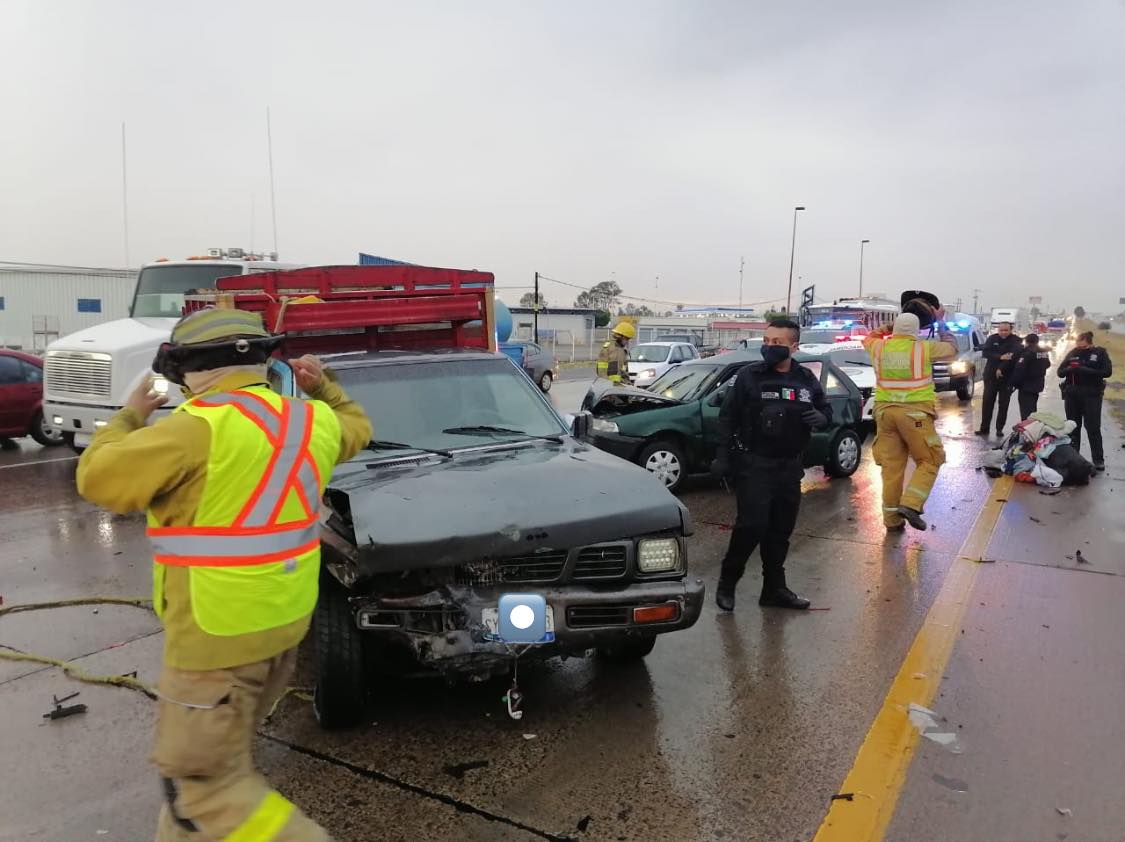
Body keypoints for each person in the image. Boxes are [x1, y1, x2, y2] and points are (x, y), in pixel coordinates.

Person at [76, 307, 372, 842]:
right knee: (191, 795)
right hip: (281, 628)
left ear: (186, 369)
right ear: (261, 362)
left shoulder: (194, 430)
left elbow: (98, 477)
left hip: (216, 642)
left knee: (205, 791)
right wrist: (325, 386)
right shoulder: (313, 422)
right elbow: (358, 428)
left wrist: (128, 416)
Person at [712, 319, 831, 611]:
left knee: (780, 531)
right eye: (766, 341)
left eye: (777, 343)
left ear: (794, 346)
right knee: (751, 526)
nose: (769, 347)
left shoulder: (805, 378)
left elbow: (825, 407)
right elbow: (728, 418)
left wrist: (822, 417)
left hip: (790, 466)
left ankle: (774, 590)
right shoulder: (749, 376)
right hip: (755, 464)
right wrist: (722, 457)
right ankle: (728, 583)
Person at [862, 312, 958, 531]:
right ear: (917, 331)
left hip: (885, 414)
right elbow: (951, 349)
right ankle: (912, 505)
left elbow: (868, 337)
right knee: (931, 459)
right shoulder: (924, 348)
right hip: (915, 414)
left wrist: (887, 327)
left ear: (894, 330)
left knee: (891, 468)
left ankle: (892, 521)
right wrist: (940, 323)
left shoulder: (878, 347)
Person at [1058, 331, 1112, 471]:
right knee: (1072, 427)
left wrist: (1084, 369)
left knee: (1093, 428)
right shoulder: (1073, 353)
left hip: (1091, 395)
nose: (1078, 347)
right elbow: (1060, 372)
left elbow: (1107, 372)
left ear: (1088, 342)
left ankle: (1098, 460)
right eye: (1077, 344)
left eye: (1082, 345)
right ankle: (1074, 459)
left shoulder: (1100, 353)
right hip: (1072, 394)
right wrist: (1070, 368)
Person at [976, 322, 1022, 437]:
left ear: (1011, 330)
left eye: (1006, 330)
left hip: (1006, 378)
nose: (1003, 333)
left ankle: (999, 429)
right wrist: (1000, 356)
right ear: (998, 330)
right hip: (990, 376)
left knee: (1003, 404)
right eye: (1001, 330)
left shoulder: (1015, 340)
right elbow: (986, 352)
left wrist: (1001, 365)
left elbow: (1013, 356)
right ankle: (984, 428)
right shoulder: (992, 338)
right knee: (987, 403)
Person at [1009, 333, 1052, 420]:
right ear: (1037, 341)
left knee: (1026, 412)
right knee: (1032, 410)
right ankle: (1032, 428)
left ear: (1026, 341)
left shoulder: (1027, 352)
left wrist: (1012, 384)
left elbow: (1019, 369)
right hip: (1038, 384)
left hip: (1026, 385)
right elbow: (1047, 364)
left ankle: (1027, 430)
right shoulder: (1043, 352)